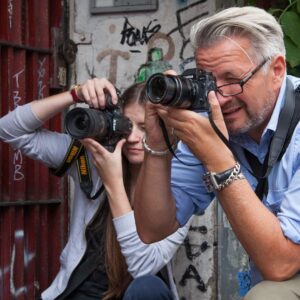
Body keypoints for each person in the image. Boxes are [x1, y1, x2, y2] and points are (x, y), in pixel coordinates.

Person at [134, 6, 300, 300]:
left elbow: (282, 263)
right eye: (208, 81)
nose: (218, 98)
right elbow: (152, 228)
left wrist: (217, 157)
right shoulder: (213, 120)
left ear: (276, 70)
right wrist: (158, 147)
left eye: (232, 80)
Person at [0, 78, 192, 300]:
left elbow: (143, 267)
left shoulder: (180, 188)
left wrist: (113, 182)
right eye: (127, 125)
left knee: (148, 287)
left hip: (133, 295)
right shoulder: (92, 159)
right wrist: (76, 95)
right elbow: (9, 131)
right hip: (79, 293)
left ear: (166, 131)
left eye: (145, 128)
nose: (132, 138)